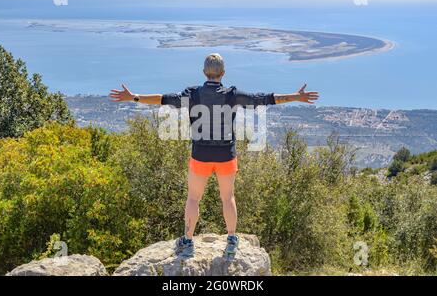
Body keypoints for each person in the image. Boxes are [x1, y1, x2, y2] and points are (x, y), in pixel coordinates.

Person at [109, 53, 319, 258]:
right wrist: (296, 97)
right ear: (223, 73)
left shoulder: (192, 94)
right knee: (228, 198)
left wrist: (133, 97)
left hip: (200, 155)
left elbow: (163, 99)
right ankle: (231, 240)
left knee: (193, 198)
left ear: (204, 72)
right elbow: (264, 99)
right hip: (226, 155)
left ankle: (189, 242)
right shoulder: (232, 95)